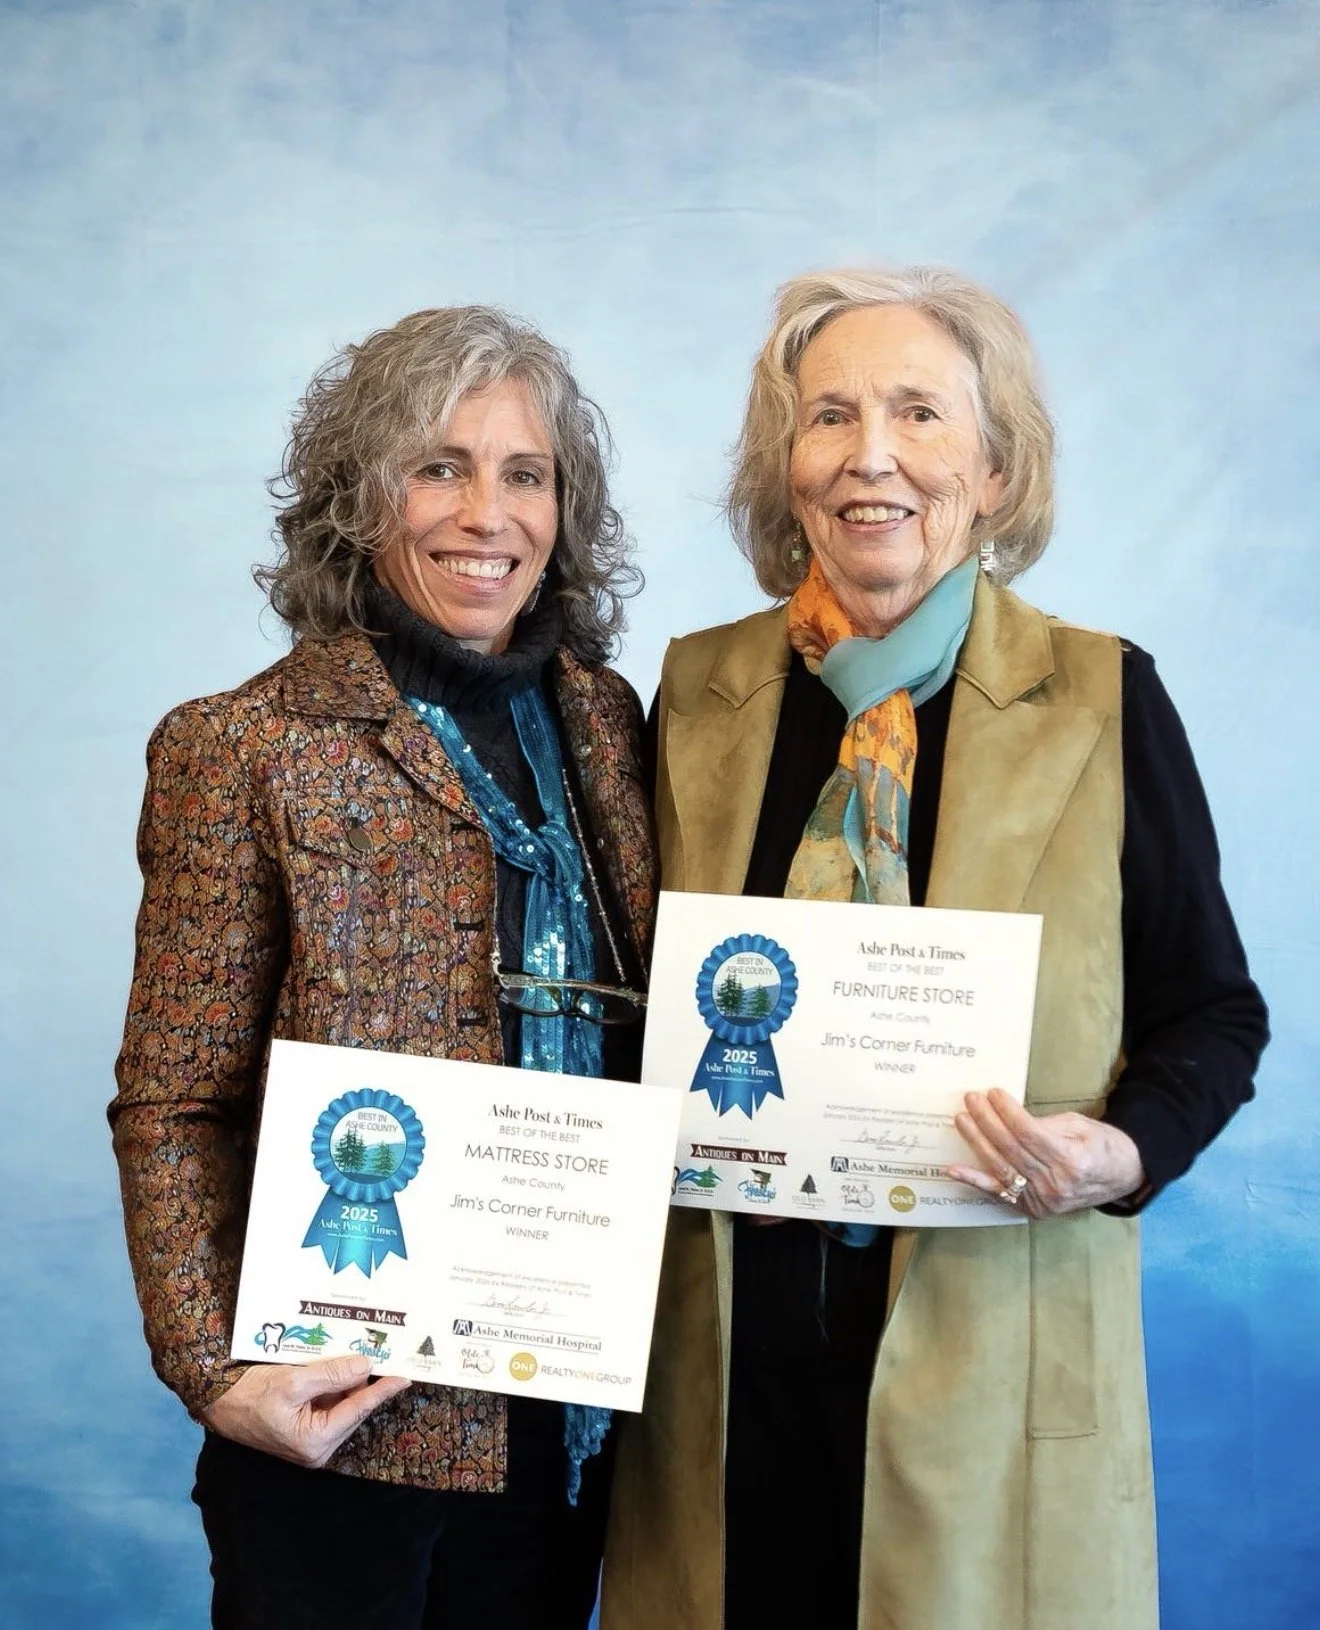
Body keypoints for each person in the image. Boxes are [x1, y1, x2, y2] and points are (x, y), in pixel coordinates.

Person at [601, 267, 1268, 1630]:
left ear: (1000, 468)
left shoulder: (1102, 695)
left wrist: (1118, 1149)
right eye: (830, 415)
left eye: (920, 413)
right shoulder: (696, 693)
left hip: (998, 1340)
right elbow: (630, 998)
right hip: (733, 1354)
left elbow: (1214, 1010)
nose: (874, 456)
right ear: (784, 467)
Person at [110, 306, 655, 1630]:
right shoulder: (241, 747)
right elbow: (174, 1099)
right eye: (440, 467)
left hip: (570, 1410)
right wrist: (216, 1370)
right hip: (343, 1415)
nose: (489, 511)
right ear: (364, 501)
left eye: (525, 472)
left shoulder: (604, 720)